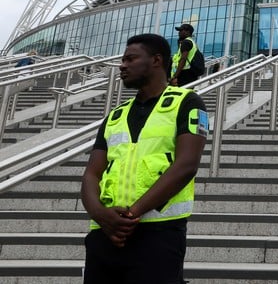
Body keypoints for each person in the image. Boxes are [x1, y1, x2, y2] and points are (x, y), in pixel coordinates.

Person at [81, 33, 208, 283]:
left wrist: (130, 215)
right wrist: (101, 215)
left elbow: (186, 165)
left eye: (130, 59)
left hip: (158, 235)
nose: (122, 65)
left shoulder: (187, 103)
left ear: (156, 60)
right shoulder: (115, 116)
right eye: (122, 60)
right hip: (105, 234)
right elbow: (91, 173)